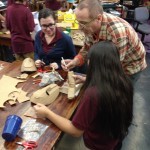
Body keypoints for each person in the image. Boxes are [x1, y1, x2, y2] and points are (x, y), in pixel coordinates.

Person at [34, 41, 133, 150]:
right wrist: (86, 80)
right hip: (114, 140)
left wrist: (47, 113)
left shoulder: (93, 94)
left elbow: (75, 131)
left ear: (92, 63)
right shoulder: (124, 81)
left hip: (96, 145)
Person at [61, 0, 147, 84]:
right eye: (78, 22)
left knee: (120, 94)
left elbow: (113, 69)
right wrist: (75, 61)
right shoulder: (89, 25)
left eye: (83, 23)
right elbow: (87, 47)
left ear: (98, 18)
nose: (80, 27)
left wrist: (89, 79)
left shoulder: (117, 33)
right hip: (112, 64)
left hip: (129, 66)